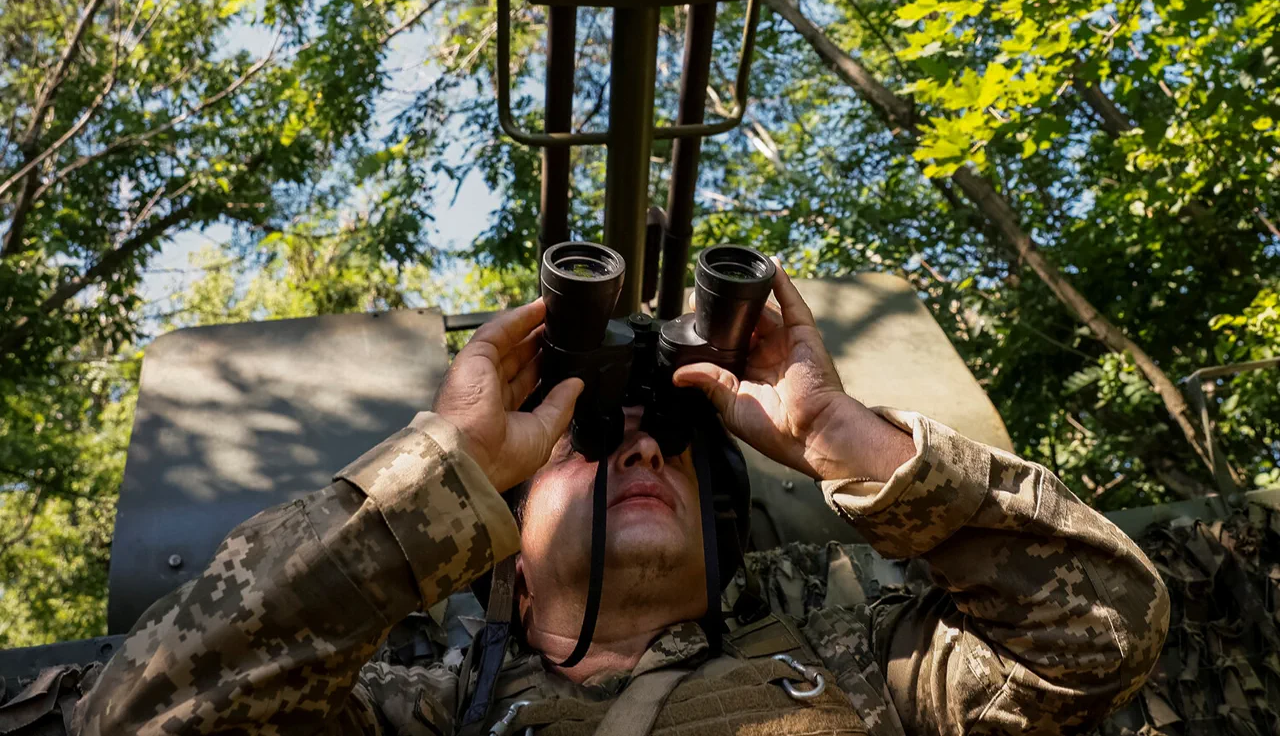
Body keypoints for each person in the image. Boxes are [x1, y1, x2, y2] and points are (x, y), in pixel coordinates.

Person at [72, 265, 1169, 736]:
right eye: (589, 438)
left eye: (675, 443)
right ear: (498, 534)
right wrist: (436, 472)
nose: (642, 443)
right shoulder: (420, 712)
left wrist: (844, 438)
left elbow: (1104, 631)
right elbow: (141, 717)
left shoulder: (865, 667)